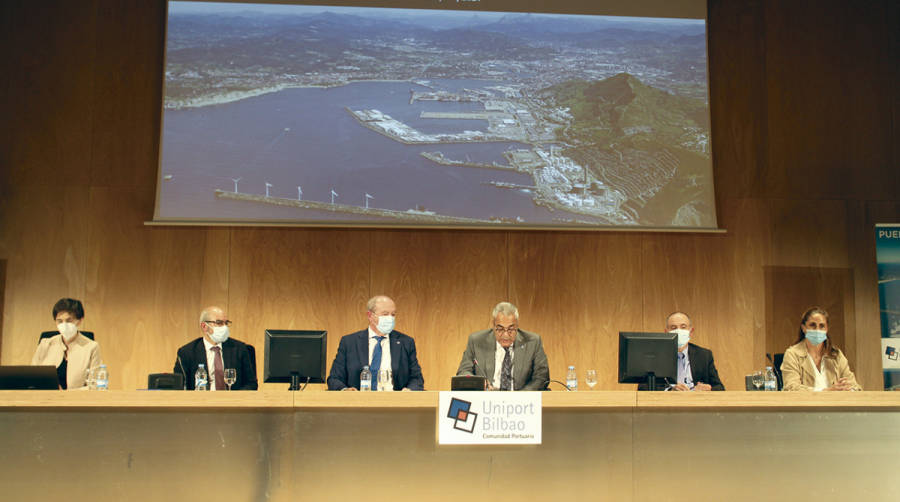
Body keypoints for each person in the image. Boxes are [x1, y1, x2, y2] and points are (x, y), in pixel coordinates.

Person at [327, 295, 424, 391]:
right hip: (358, 403)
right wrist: (345, 390)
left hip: (394, 402)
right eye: (385, 314)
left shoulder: (406, 342)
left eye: (393, 314)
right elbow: (334, 379)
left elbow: (417, 379)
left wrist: (409, 390)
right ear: (370, 316)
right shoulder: (349, 342)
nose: (390, 318)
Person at [456, 302, 549, 391]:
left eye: (511, 329)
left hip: (521, 402)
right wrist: (479, 383)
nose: (505, 335)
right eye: (500, 329)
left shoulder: (532, 342)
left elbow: (542, 376)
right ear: (493, 325)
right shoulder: (476, 341)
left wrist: (522, 396)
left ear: (517, 325)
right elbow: (464, 372)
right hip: (486, 400)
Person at [174, 306, 258, 390]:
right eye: (219, 323)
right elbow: (180, 386)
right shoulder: (187, 352)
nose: (224, 327)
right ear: (204, 326)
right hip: (201, 401)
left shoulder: (239, 349)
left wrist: (235, 399)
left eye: (226, 323)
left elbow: (251, 384)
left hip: (233, 401)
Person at [781, 307, 861, 391]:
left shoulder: (836, 355)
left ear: (826, 329)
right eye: (813, 325)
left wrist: (849, 388)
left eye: (822, 326)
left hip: (835, 403)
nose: (817, 330)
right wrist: (827, 391)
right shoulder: (792, 354)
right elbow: (791, 388)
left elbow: (855, 386)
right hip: (806, 403)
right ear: (803, 328)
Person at [32, 298, 102, 390]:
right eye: (59, 321)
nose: (64, 325)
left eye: (69, 321)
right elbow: (33, 379)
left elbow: (96, 386)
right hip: (46, 400)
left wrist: (66, 394)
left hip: (77, 402)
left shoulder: (91, 347)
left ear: (80, 320)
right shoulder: (45, 344)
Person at [655, 311, 724, 391]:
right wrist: (669, 391)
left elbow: (720, 388)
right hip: (666, 402)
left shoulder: (704, 355)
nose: (678, 331)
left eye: (683, 327)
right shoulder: (656, 356)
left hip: (697, 401)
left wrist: (709, 388)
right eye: (673, 328)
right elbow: (643, 388)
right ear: (666, 332)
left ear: (691, 332)